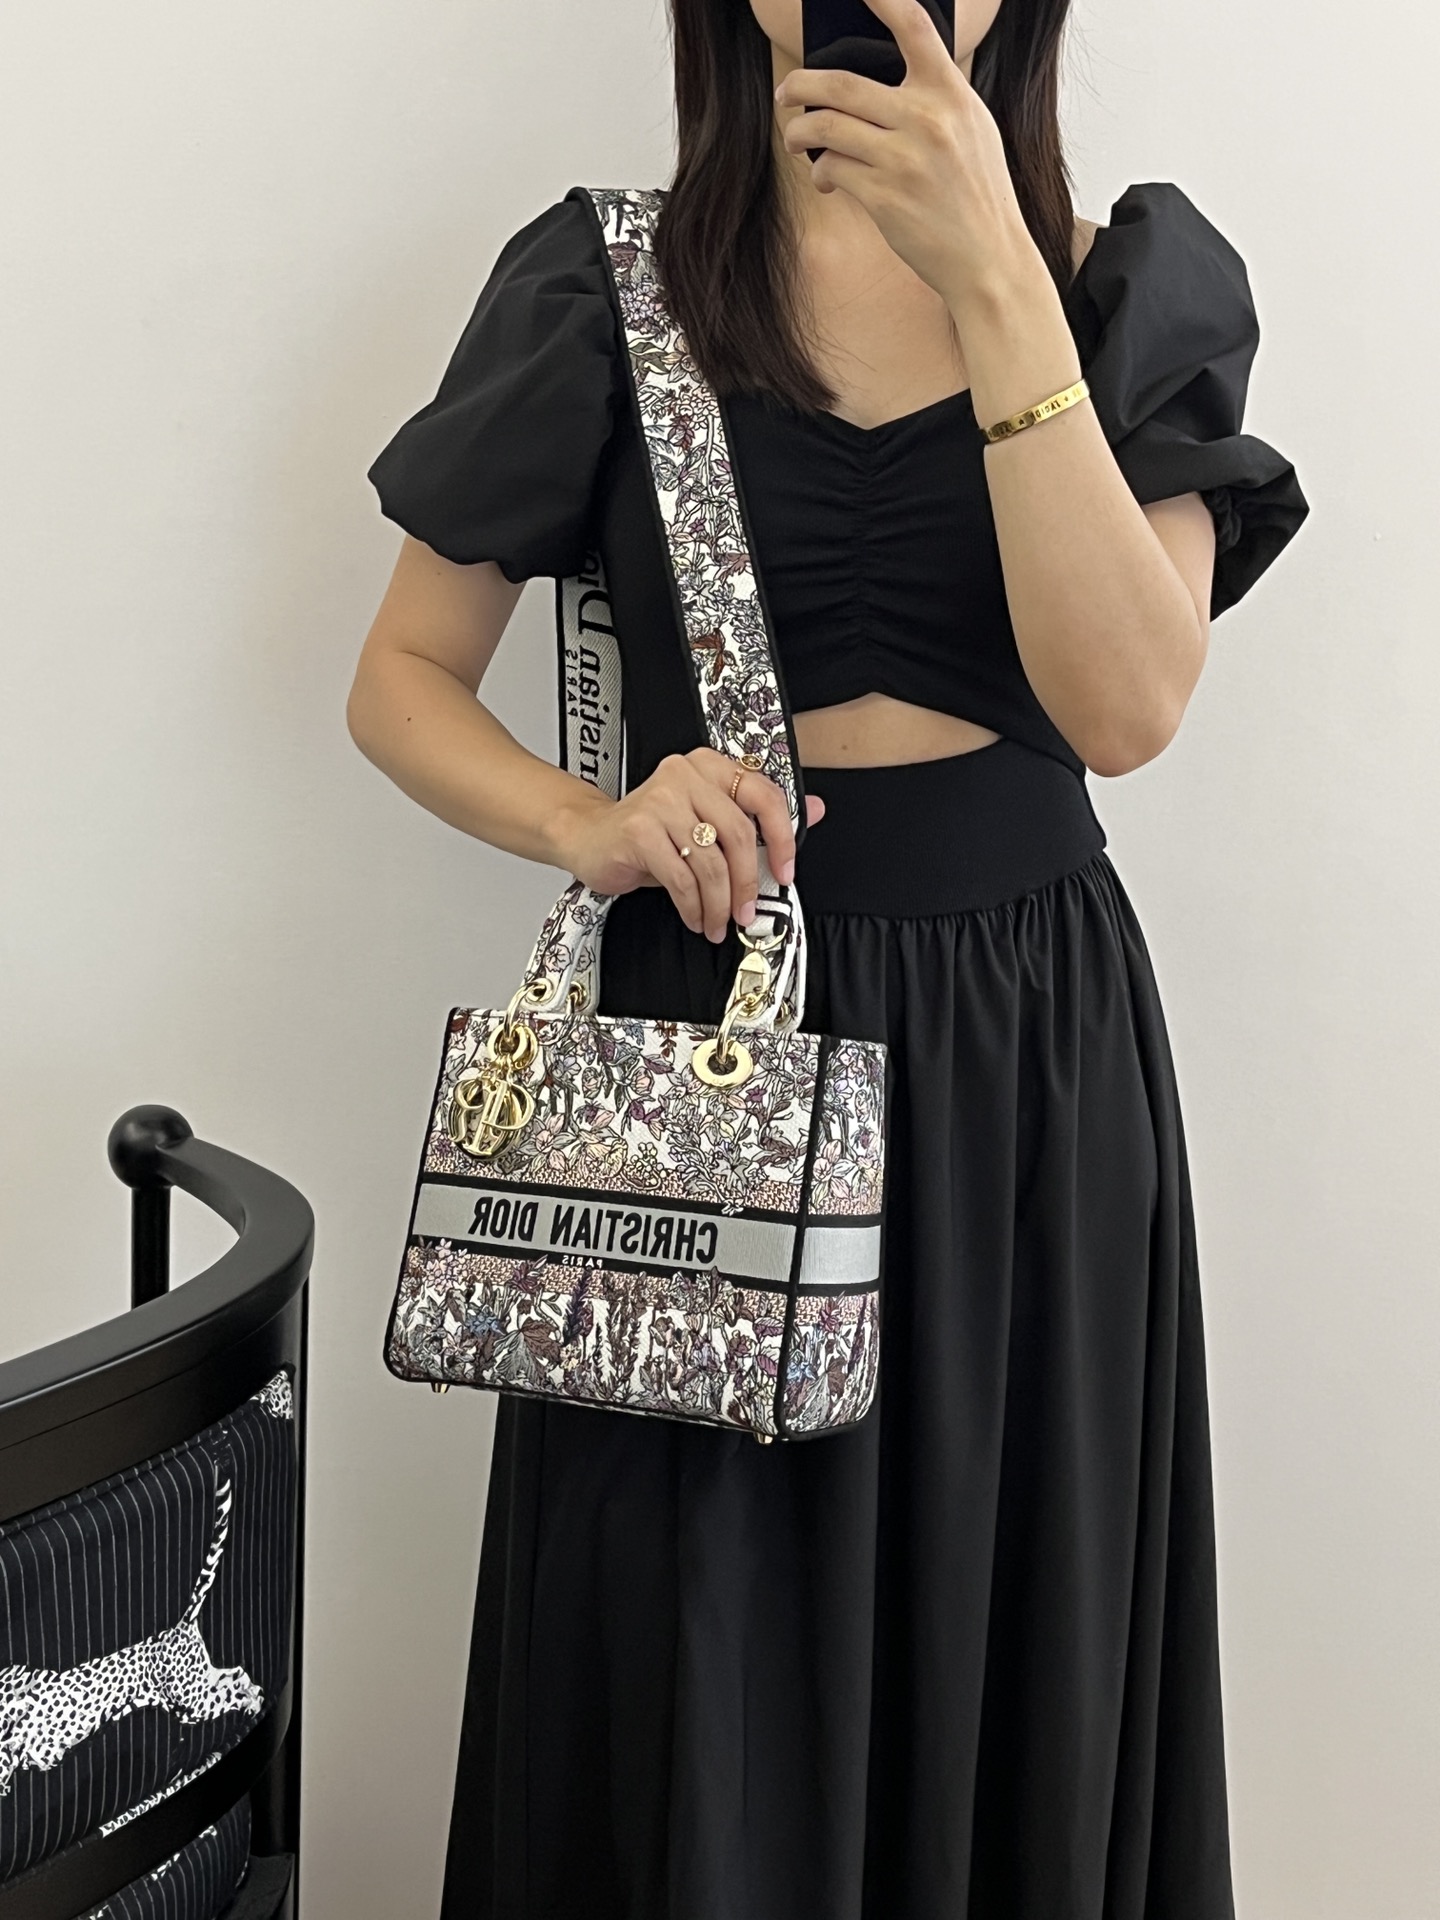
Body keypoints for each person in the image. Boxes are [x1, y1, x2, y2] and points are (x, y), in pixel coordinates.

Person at [348, 0, 1307, 1912]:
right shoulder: (608, 283)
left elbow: (1126, 708)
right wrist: (587, 822)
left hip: (1023, 1076)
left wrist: (997, 280)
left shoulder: (1125, 286)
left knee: (1002, 1633)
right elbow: (403, 677)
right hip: (704, 1056)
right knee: (687, 1651)